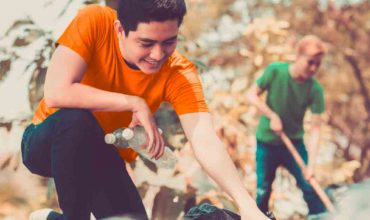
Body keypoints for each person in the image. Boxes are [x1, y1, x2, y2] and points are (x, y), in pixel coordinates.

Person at [21, 0, 269, 219]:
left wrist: (247, 205)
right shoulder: (95, 20)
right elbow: (56, 92)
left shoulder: (179, 73)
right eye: (146, 43)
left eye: (169, 42)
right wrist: (133, 102)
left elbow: (204, 138)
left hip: (101, 157)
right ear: (120, 30)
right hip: (46, 143)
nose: (157, 54)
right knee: (77, 119)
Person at [246, 35, 327, 216]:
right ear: (298, 56)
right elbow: (251, 95)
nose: (313, 68)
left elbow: (315, 128)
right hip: (266, 143)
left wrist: (311, 165)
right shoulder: (275, 71)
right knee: (263, 191)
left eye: (318, 64)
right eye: (310, 62)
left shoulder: (315, 89)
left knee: (310, 187)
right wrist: (271, 115)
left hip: (294, 145)